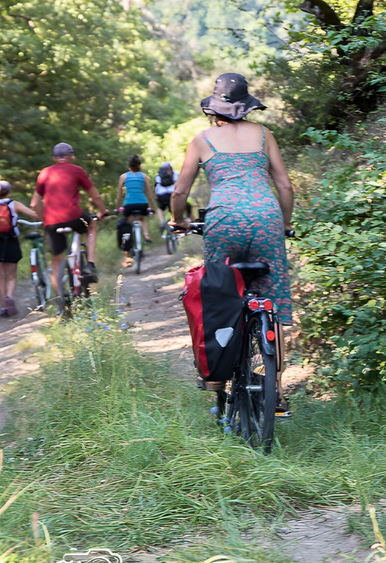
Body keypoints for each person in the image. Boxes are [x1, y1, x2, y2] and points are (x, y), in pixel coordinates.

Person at [168, 73, 295, 411]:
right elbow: (285, 186)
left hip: (223, 221)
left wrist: (178, 220)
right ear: (246, 106)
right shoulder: (264, 134)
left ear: (214, 109)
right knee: (274, 303)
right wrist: (284, 223)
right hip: (267, 217)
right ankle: (277, 390)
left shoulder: (202, 140)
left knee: (221, 294)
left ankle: (218, 378)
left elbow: (180, 191)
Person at [31, 142, 109, 300]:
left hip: (51, 222)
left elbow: (34, 203)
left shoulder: (44, 173)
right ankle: (90, 265)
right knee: (91, 226)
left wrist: (44, 218)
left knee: (56, 258)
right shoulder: (77, 170)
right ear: (71, 156)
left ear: (54, 157)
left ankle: (62, 298)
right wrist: (102, 210)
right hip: (74, 217)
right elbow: (95, 196)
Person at [0, 180, 39, 317]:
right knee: (11, 276)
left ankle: (4, 308)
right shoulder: (14, 204)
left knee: (1, 276)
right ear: (9, 191)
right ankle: (9, 296)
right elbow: (34, 215)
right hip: (10, 242)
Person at [116, 155, 159, 266]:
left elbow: (119, 195)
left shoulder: (123, 177)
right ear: (139, 165)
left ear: (129, 165)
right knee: (142, 218)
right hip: (142, 204)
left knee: (128, 222)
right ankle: (146, 235)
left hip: (129, 205)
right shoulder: (144, 177)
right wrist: (153, 208)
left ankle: (129, 247)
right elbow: (149, 194)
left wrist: (117, 208)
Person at [154, 161, 179, 228]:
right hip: (172, 195)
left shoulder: (158, 175)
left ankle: (162, 221)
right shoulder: (175, 173)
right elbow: (178, 185)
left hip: (161, 196)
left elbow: (156, 187)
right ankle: (174, 221)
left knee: (160, 208)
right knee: (173, 208)